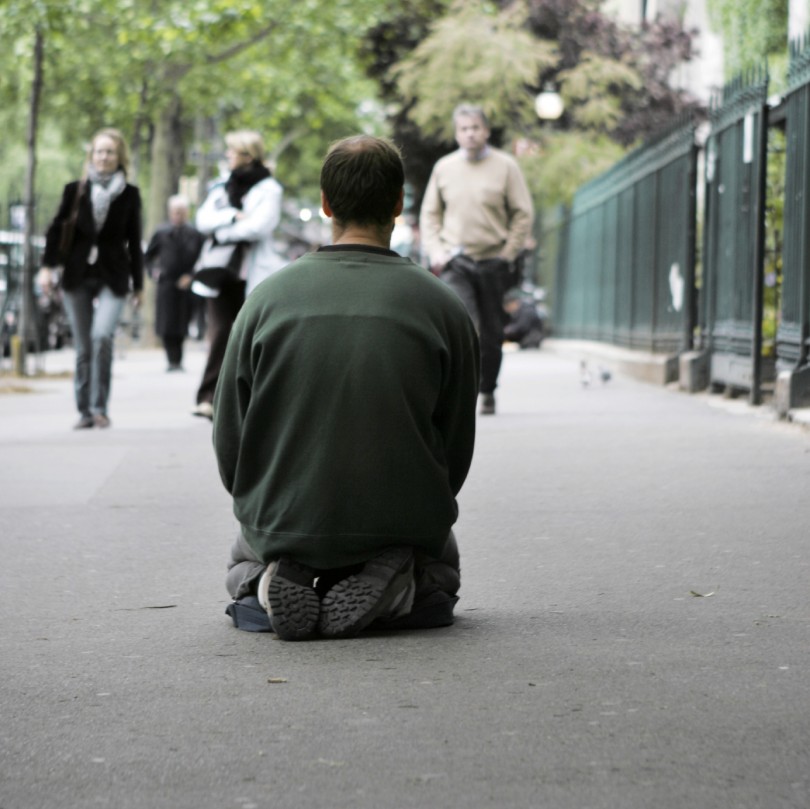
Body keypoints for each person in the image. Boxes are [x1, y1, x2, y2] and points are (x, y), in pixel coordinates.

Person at [215, 135, 479, 641]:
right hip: (403, 519)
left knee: (242, 553)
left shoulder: (265, 302)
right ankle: (398, 580)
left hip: (285, 517)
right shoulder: (443, 306)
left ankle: (265, 577)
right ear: (399, 204)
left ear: (326, 203)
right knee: (442, 565)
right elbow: (455, 445)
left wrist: (265, 503)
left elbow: (230, 440)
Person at [420, 103, 534, 415]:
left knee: (491, 331)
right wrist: (437, 250)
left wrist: (508, 252)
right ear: (457, 134)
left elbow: (522, 213)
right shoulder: (444, 168)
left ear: (485, 130)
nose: (470, 134)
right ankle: (461, 394)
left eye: (475, 128)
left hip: (493, 261)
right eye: (464, 129)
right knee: (464, 326)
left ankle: (487, 390)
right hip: (457, 261)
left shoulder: (506, 166)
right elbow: (430, 213)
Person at [41, 127, 143, 429]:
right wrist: (47, 267)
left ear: (119, 156)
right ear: (92, 155)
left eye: (110, 152)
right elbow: (56, 229)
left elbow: (135, 242)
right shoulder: (75, 189)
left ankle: (101, 407)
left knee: (102, 337)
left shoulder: (130, 194)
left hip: (113, 275)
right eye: (99, 151)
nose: (104, 157)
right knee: (84, 346)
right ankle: (84, 410)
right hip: (77, 274)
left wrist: (139, 285)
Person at [191, 130, 286, 419]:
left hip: (252, 275)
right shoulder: (221, 187)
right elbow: (202, 221)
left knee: (250, 335)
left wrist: (223, 231)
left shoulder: (270, 189)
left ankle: (250, 399)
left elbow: (259, 227)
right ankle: (208, 397)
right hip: (220, 274)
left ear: (248, 155)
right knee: (219, 333)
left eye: (232, 152)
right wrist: (231, 218)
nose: (228, 156)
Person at [144, 195, 204, 371]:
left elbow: (203, 258)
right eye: (175, 212)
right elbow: (148, 257)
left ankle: (178, 359)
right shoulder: (161, 232)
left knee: (183, 321)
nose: (178, 215)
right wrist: (155, 273)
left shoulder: (195, 234)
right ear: (170, 213)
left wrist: (191, 276)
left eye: (181, 212)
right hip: (167, 284)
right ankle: (171, 360)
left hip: (187, 284)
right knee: (167, 322)